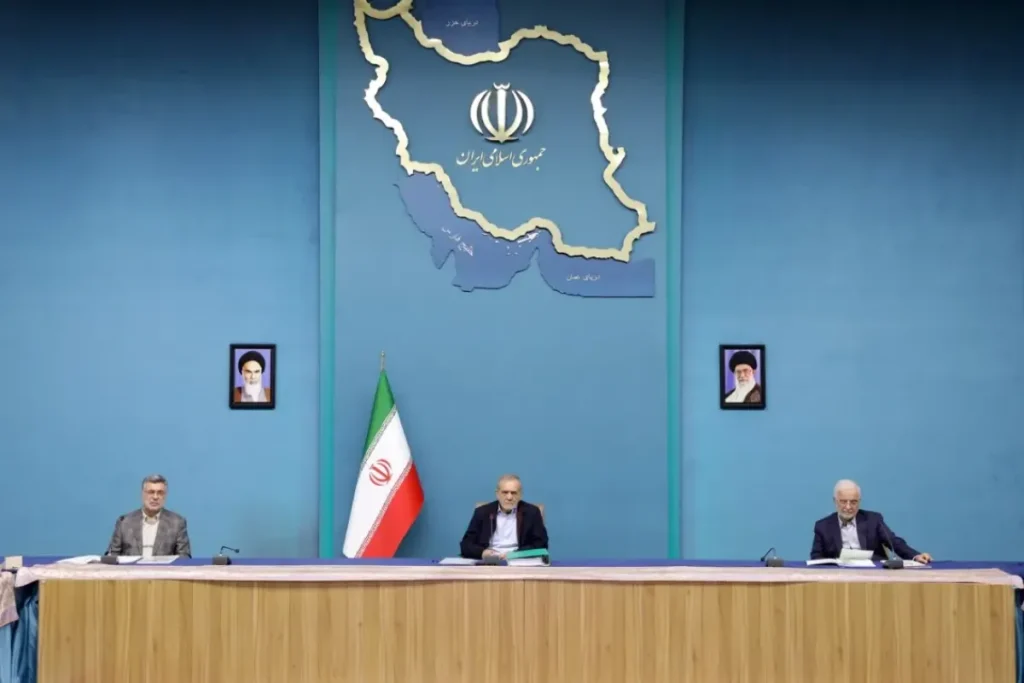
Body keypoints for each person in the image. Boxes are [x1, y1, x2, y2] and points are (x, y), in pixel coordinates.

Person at [810, 479, 931, 563]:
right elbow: (816, 558)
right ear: (835, 501)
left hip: (873, 574)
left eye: (853, 502)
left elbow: (894, 542)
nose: (848, 507)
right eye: (843, 501)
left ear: (859, 502)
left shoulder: (873, 520)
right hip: (839, 577)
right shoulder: (823, 526)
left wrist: (915, 556)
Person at [460, 474, 548, 560]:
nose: (509, 497)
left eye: (514, 493)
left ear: (520, 495)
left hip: (518, 560)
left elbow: (541, 544)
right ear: (497, 494)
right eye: (505, 492)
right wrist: (482, 553)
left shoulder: (532, 512)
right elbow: (466, 545)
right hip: (490, 561)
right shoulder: (482, 512)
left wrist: (516, 554)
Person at [105, 474, 192, 558]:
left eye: (160, 493)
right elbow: (112, 556)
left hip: (162, 569)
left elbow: (184, 558)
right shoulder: (124, 522)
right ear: (142, 494)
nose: (155, 497)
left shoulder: (177, 523)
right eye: (151, 492)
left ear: (165, 495)